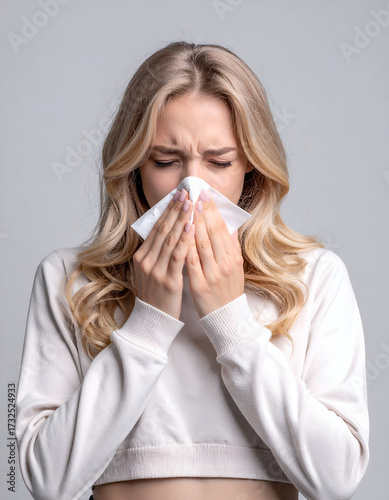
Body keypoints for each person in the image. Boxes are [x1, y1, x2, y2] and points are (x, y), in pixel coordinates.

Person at [15, 41, 369, 500]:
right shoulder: (69, 280)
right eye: (165, 161)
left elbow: (337, 477)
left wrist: (231, 324)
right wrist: (147, 324)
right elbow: (44, 480)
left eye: (219, 162)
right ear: (135, 166)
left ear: (252, 168)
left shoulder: (313, 277)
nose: (192, 187)